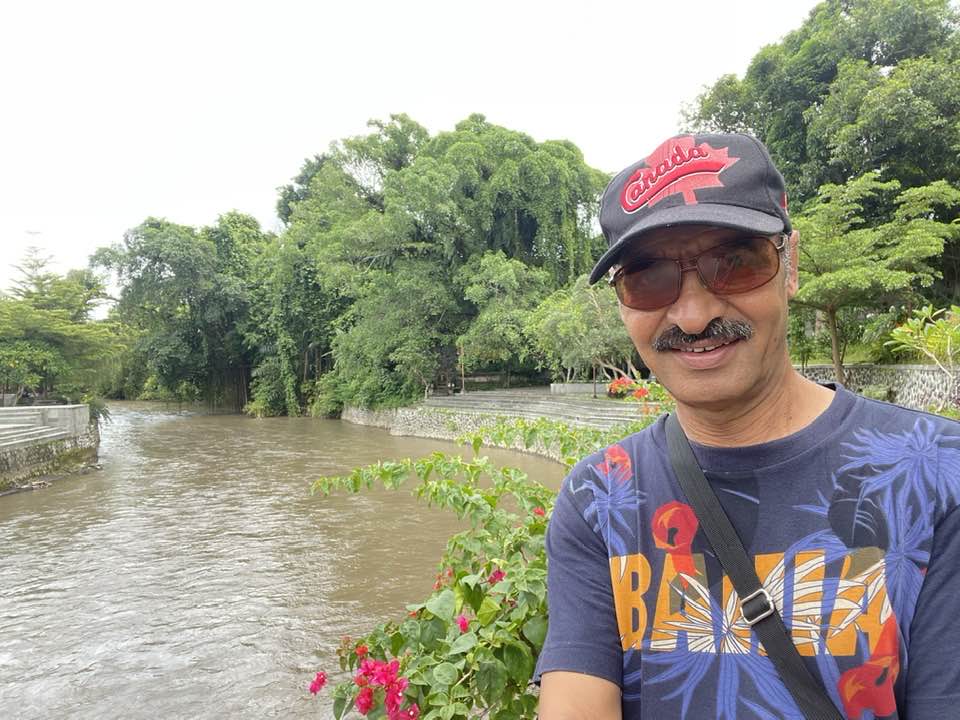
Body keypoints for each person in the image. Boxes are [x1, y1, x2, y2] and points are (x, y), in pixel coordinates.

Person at [534, 132, 960, 719]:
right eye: (648, 278)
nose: (693, 315)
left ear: (790, 266)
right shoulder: (599, 496)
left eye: (734, 264)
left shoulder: (940, 476)